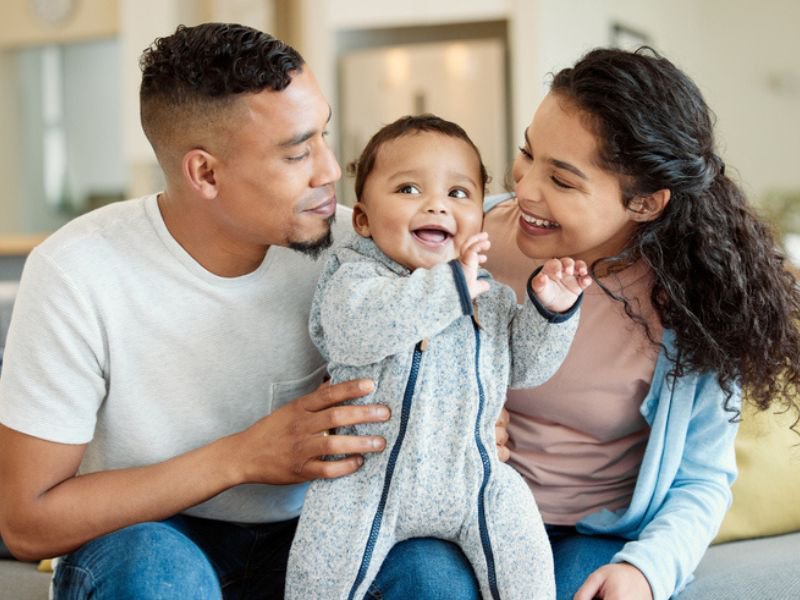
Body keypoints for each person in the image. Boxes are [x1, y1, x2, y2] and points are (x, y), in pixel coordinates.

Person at [0, 23, 472, 600]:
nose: (329, 170)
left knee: (433, 572)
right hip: (150, 537)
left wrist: (470, 415)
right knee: (153, 566)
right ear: (205, 173)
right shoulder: (76, 272)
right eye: (297, 152)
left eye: (323, 135)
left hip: (325, 526)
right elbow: (26, 524)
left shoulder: (361, 247)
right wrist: (242, 458)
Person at [481, 47, 800, 600]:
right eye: (528, 153)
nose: (526, 188)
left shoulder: (692, 306)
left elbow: (702, 479)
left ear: (645, 204)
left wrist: (647, 571)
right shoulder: (468, 238)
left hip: (592, 533)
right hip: (471, 505)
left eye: (562, 180)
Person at [285, 114, 591, 600]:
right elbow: (355, 332)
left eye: (458, 193)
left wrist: (550, 311)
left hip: (474, 480)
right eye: (408, 189)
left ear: (480, 221)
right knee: (318, 577)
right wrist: (449, 289)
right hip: (365, 482)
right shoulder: (354, 279)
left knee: (525, 554)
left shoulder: (489, 297)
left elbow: (526, 368)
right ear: (362, 219)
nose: (436, 205)